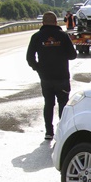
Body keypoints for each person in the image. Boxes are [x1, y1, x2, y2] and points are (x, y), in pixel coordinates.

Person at [26, 11, 77, 140]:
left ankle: (49, 132)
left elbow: (29, 58)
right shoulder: (63, 36)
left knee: (48, 103)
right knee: (63, 104)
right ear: (56, 22)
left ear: (42, 22)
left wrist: (38, 69)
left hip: (46, 77)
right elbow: (73, 55)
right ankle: (62, 131)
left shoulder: (36, 37)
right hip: (62, 76)